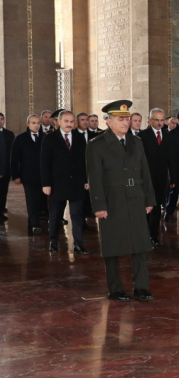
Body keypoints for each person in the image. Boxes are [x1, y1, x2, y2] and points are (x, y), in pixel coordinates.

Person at [86, 100, 156, 302]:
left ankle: (141, 287)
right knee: (112, 246)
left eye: (127, 118)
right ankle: (115, 289)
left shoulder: (137, 142)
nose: (125, 122)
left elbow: (145, 172)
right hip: (112, 201)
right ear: (108, 122)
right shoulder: (97, 145)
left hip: (135, 199)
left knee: (140, 245)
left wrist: (149, 198)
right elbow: (95, 178)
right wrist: (99, 206)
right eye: (120, 119)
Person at [40, 110, 89, 254]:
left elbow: (84, 162)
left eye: (72, 121)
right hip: (57, 185)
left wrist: (86, 179)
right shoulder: (49, 139)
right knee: (55, 215)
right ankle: (53, 241)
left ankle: (78, 244)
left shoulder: (80, 138)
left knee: (77, 215)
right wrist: (46, 184)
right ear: (58, 122)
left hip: (77, 184)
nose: (69, 124)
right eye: (66, 121)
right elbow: (45, 164)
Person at [138, 108, 177, 246]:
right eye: (157, 120)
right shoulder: (142, 136)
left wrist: (173, 177)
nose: (160, 123)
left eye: (162, 120)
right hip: (145, 179)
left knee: (157, 207)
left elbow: (172, 158)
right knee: (145, 208)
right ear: (149, 120)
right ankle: (142, 235)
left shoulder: (168, 136)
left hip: (161, 179)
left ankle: (153, 236)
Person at [11, 114, 44, 234]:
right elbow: (14, 159)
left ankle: (34, 222)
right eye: (33, 123)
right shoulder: (20, 139)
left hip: (43, 176)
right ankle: (34, 224)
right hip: (28, 176)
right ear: (27, 124)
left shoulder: (45, 138)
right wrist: (16, 175)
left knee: (41, 200)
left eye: (38, 123)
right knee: (31, 200)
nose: (36, 125)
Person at [0, 113, 14, 221]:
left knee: (3, 192)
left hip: (6, 170)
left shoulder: (9, 134)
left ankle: (0, 213)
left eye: (1, 119)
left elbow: (12, 153)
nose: (0, 121)